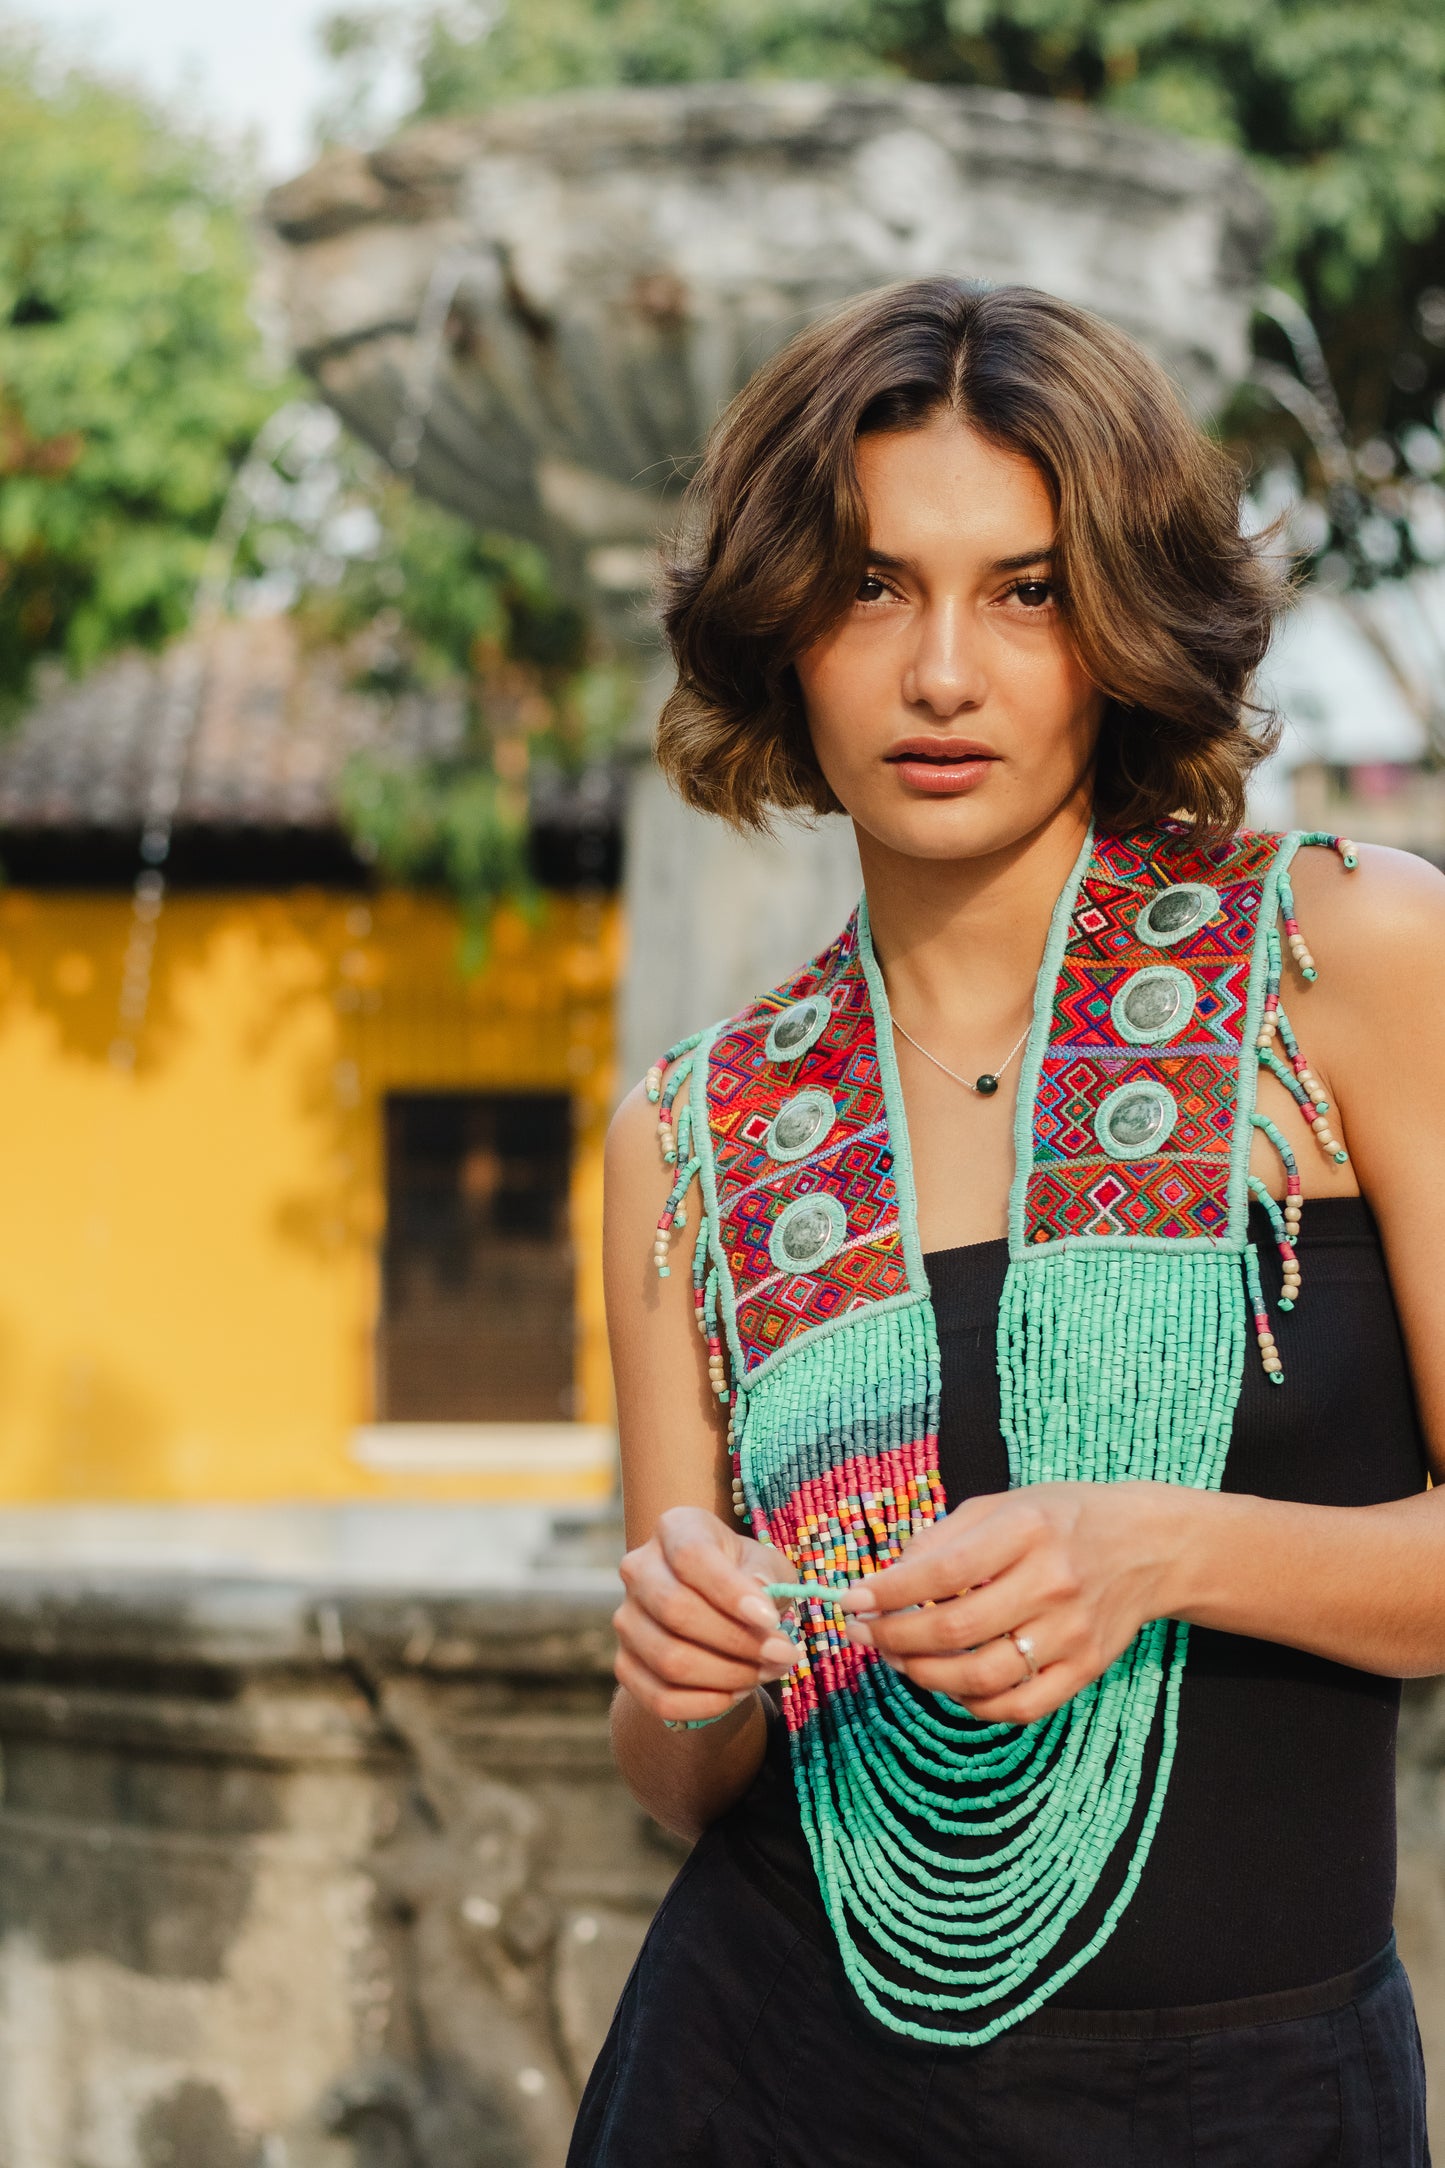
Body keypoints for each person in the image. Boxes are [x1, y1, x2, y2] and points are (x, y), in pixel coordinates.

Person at [569, 279, 1443, 2167]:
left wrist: (1159, 1552)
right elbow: (682, 1778)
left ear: (1119, 623)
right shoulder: (695, 1130)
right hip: (763, 2082)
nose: (941, 672)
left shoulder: (1350, 961)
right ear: (783, 629)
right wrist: (686, 1677)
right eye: (873, 586)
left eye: (1024, 590)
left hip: (1253, 2102)